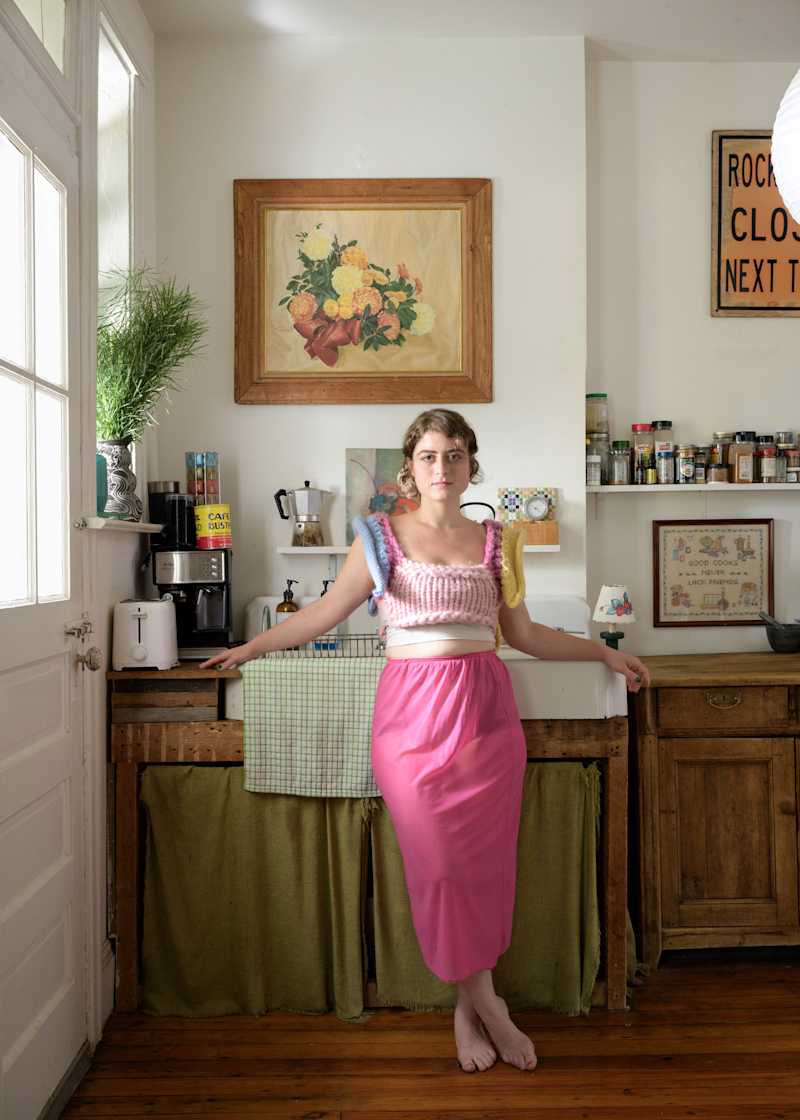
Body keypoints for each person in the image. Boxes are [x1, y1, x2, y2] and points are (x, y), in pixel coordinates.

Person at [201, 408, 650, 1075]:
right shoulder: (378, 537)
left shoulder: (498, 539)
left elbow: (524, 637)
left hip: (485, 717)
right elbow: (325, 613)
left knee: (484, 869)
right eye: (432, 456)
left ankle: (465, 1012)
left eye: (457, 456)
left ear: (472, 465)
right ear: (411, 466)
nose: (444, 469)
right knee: (437, 868)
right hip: (410, 719)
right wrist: (253, 647)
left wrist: (602, 655)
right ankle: (491, 1005)